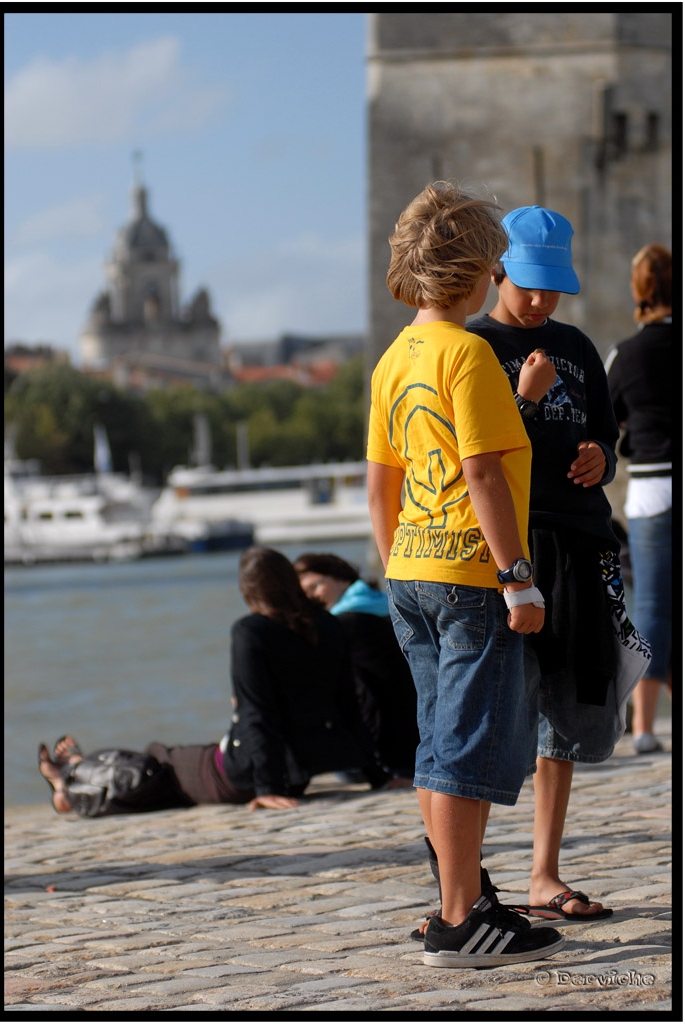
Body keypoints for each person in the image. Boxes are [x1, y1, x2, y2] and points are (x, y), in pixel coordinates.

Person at [366, 180, 565, 968]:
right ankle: (460, 917)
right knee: (466, 745)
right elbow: (481, 471)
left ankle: (461, 901)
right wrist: (517, 576)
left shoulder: (395, 359)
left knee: (436, 741)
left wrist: (393, 571)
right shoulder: (468, 351)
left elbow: (383, 481)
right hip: (470, 571)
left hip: (410, 568)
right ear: (482, 270)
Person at [464, 205, 623, 923]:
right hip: (509, 552)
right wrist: (522, 403)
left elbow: (603, 434)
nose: (541, 301)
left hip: (579, 542)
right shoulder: (473, 346)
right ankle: (465, 886)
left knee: (561, 719)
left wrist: (601, 457)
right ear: (497, 271)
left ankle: (543, 873)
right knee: (492, 714)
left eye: (553, 287)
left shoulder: (577, 345)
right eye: (529, 285)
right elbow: (478, 461)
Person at [38, 546, 407, 817]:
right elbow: (347, 704)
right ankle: (72, 778)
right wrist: (378, 773)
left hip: (246, 772)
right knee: (166, 777)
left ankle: (70, 779)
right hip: (298, 767)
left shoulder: (252, 632)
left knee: (159, 763)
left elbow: (257, 711)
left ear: (250, 594)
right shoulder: (328, 625)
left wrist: (267, 788)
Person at [605, 243, 672, 754]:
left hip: (652, 486)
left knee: (650, 605)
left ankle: (646, 727)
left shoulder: (626, 354)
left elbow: (608, 422)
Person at [294, 551, 419, 778]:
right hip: (419, 735)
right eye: (305, 593)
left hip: (387, 749)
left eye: (315, 586)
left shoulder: (342, 624)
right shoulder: (392, 604)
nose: (311, 597)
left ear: (341, 578)